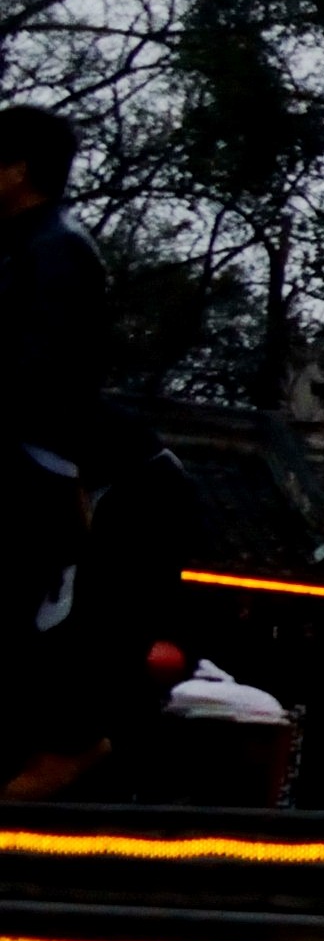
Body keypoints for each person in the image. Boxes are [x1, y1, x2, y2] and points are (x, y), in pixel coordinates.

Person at [0, 107, 120, 793]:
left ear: (20, 169)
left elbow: (45, 376)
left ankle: (62, 741)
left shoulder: (57, 251)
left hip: (24, 469)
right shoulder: (29, 247)